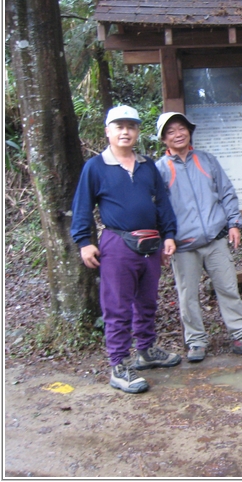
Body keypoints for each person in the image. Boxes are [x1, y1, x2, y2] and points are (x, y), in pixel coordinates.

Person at [71, 105, 180, 394]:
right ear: (108, 131)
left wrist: (169, 235)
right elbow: (82, 206)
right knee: (117, 307)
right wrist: (84, 241)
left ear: (137, 131)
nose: (125, 131)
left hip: (152, 243)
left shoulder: (147, 166)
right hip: (117, 243)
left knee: (147, 301)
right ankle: (119, 365)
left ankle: (146, 350)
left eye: (130, 126)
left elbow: (162, 203)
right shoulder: (95, 167)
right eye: (119, 126)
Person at [155, 112, 242, 361]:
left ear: (189, 131)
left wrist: (234, 224)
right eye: (171, 131)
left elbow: (226, 192)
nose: (178, 134)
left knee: (228, 289)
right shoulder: (159, 170)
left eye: (182, 128)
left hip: (216, 239)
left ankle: (241, 336)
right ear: (164, 139)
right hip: (183, 245)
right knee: (188, 296)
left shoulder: (206, 161)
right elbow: (157, 208)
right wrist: (165, 238)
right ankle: (196, 342)